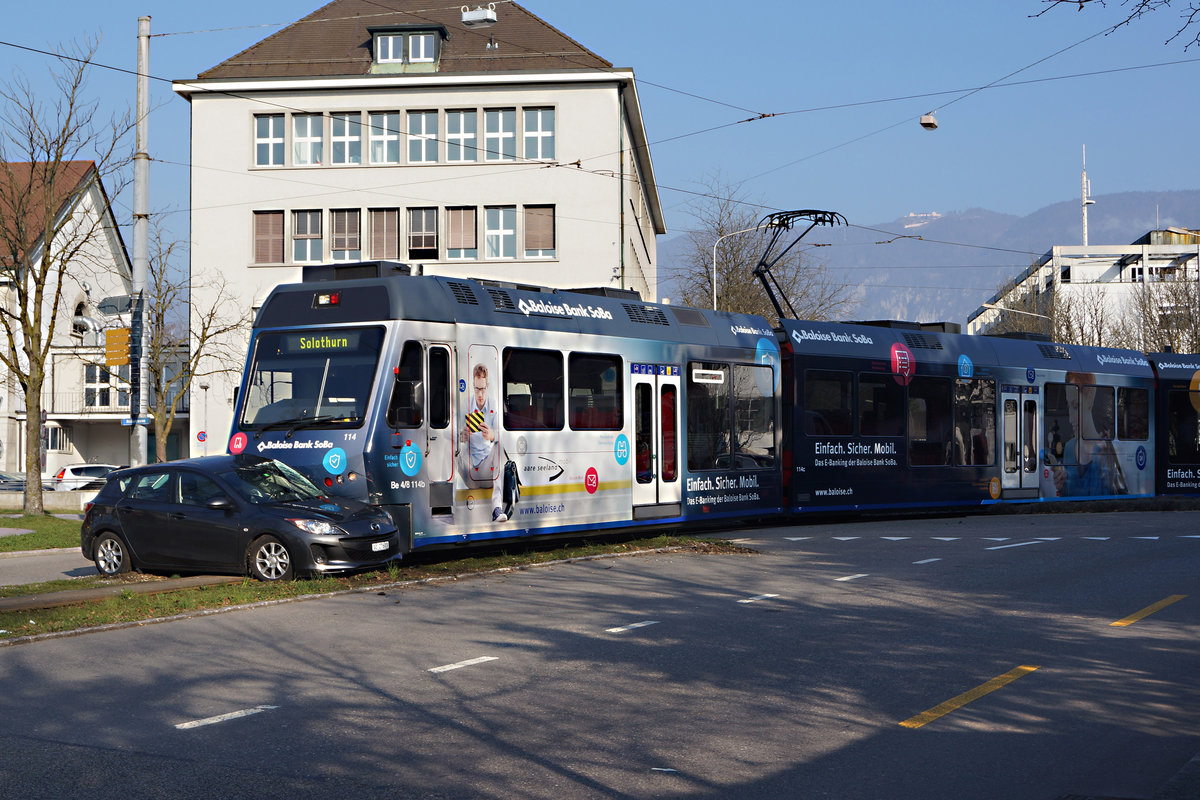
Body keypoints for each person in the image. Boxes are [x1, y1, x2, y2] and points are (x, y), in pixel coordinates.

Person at [460, 362, 506, 521]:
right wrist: (462, 436)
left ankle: (497, 508)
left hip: (486, 469)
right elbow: (453, 436)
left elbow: (503, 434)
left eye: (482, 389)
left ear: (487, 385)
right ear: (473, 386)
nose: (479, 394)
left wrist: (492, 435)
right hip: (469, 469)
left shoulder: (494, 405)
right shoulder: (465, 404)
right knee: (450, 444)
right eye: (476, 388)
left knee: (500, 445)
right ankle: (448, 506)